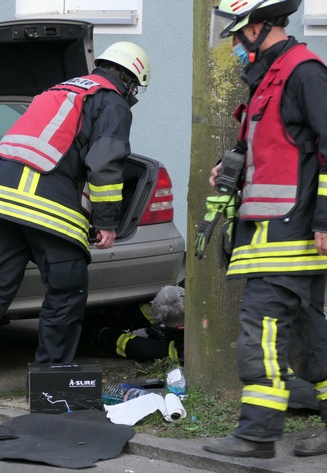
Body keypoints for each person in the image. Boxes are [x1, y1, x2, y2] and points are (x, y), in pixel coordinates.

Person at [0, 42, 151, 404]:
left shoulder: (58, 91)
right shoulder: (112, 102)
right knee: (66, 293)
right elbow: (105, 165)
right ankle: (50, 390)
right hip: (44, 205)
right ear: (129, 81)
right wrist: (106, 223)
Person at [203, 0, 327, 459]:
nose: (235, 46)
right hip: (278, 233)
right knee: (309, 336)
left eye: (237, 36)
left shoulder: (303, 72)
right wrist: (229, 166)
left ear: (259, 27)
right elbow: (278, 147)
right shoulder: (269, 81)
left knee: (263, 327)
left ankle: (256, 435)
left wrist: (325, 220)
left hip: (291, 234)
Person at [94, 284, 185, 364]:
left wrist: (103, 336)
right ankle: (113, 320)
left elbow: (141, 348)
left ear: (180, 326)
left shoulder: (186, 349)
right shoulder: (188, 285)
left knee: (145, 349)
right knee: (162, 308)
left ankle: (99, 334)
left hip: (183, 343)